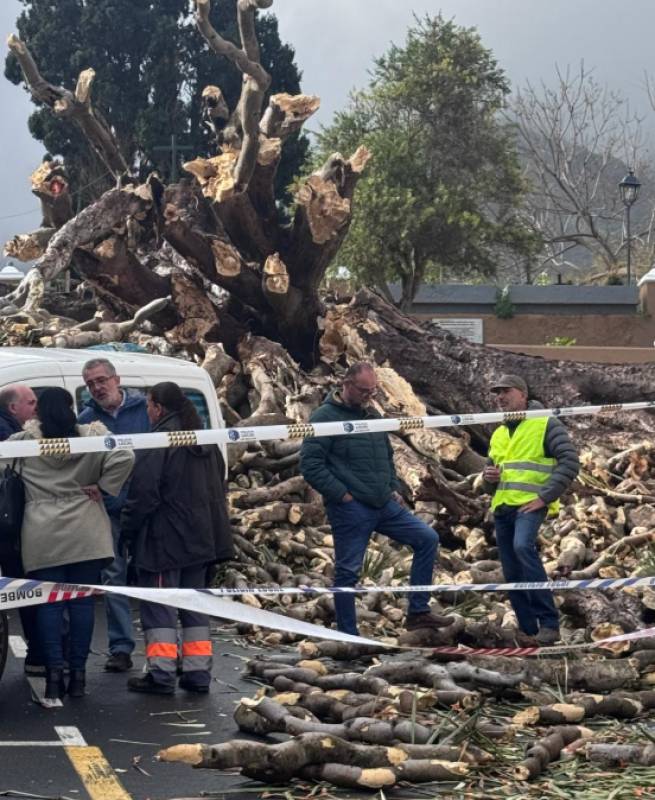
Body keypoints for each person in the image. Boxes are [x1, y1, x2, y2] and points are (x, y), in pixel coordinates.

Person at [300, 362, 451, 636]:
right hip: (351, 508)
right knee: (348, 571)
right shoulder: (324, 418)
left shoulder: (372, 413)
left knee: (427, 539)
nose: (369, 396)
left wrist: (392, 486)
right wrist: (342, 495)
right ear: (346, 384)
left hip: (384, 503)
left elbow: (386, 454)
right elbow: (310, 465)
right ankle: (347, 634)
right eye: (364, 391)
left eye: (373, 391)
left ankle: (418, 612)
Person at [7, 387, 134, 700]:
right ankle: (78, 677)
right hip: (86, 528)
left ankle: (53, 676)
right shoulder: (92, 436)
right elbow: (126, 454)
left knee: (50, 605)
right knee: (81, 603)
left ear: (39, 412)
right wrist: (104, 486)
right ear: (71, 409)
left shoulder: (23, 442)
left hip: (43, 532)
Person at [120, 382, 233, 695]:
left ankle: (161, 673)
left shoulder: (159, 441)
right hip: (202, 540)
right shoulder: (205, 440)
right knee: (194, 607)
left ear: (158, 407)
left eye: (148, 405)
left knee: (160, 608)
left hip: (164, 541)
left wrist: (127, 531)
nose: (147, 411)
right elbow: (219, 486)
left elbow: (143, 494)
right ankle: (198, 673)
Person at [483, 374, 580, 645]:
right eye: (497, 393)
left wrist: (544, 497)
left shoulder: (545, 422)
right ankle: (529, 631)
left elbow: (570, 462)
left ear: (523, 395)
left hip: (529, 504)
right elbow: (489, 481)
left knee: (522, 547)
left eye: (506, 392)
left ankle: (549, 623)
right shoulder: (499, 433)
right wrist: (488, 478)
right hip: (503, 507)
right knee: (511, 571)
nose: (501, 397)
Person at [78, 358, 150, 673]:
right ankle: (120, 648)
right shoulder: (86, 420)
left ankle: (163, 650)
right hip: (109, 512)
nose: (96, 387)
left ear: (116, 379)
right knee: (113, 579)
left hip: (147, 507)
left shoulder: (145, 411)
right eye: (90, 383)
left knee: (153, 578)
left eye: (101, 380)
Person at [0, 384, 41, 673]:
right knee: (25, 589)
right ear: (13, 407)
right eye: (31, 402)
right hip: (10, 526)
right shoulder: (11, 436)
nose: (36, 409)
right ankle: (38, 654)